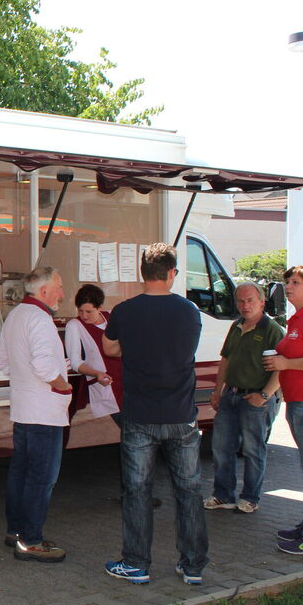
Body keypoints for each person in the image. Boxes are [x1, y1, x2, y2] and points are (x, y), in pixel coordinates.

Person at [102, 242, 208, 585]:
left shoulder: (124, 310)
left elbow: (110, 347)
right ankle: (192, 566)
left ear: (142, 274)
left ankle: (135, 563)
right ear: (172, 273)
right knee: (189, 491)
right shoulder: (190, 311)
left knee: (137, 491)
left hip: (139, 415)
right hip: (181, 414)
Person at [0, 266, 72, 563]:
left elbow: (2, 359)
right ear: (44, 292)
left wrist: (23, 379)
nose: (62, 294)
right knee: (41, 478)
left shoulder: (16, 315)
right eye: (60, 287)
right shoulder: (40, 319)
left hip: (24, 407)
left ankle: (16, 531)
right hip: (44, 411)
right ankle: (31, 540)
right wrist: (63, 386)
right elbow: (43, 366)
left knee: (21, 473)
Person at [203, 283, 283, 513]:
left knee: (253, 450)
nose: (245, 305)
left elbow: (282, 367)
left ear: (261, 302)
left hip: (256, 399)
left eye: (250, 300)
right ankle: (223, 495)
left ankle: (250, 498)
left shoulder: (272, 330)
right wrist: (217, 391)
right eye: (240, 301)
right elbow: (225, 361)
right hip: (231, 396)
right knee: (221, 448)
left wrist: (265, 395)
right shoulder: (236, 325)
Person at [265, 266, 303, 554]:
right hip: (300, 403)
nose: (288, 286)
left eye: (296, 282)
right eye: (287, 282)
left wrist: (286, 364)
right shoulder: (298, 317)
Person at [64, 284, 122, 421]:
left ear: (100, 307)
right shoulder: (74, 326)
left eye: (89, 311)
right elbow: (75, 362)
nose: (84, 316)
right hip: (105, 384)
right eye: (80, 311)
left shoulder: (112, 317)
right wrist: (96, 373)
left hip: (126, 383)